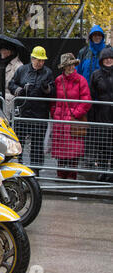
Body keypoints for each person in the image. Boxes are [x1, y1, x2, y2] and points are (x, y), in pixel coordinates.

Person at [8, 46, 55, 175]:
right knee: (19, 142)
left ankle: (36, 169)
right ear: (32, 58)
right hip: (23, 113)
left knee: (37, 143)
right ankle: (18, 166)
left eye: (42, 60)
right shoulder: (22, 70)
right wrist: (19, 90)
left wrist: (46, 88)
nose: (40, 63)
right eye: (38, 60)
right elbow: (11, 84)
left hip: (39, 114)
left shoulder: (48, 72)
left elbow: (53, 91)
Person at [50, 53, 91, 180]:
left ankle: (72, 177)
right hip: (60, 121)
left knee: (73, 153)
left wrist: (74, 114)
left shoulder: (81, 80)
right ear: (64, 67)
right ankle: (61, 177)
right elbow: (53, 99)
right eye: (68, 65)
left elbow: (86, 101)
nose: (70, 67)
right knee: (60, 153)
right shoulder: (58, 80)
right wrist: (54, 112)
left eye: (72, 64)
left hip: (73, 121)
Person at [89, 47, 113, 180]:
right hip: (102, 113)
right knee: (103, 143)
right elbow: (91, 95)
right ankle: (103, 170)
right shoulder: (96, 74)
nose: (108, 60)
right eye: (106, 58)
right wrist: (92, 116)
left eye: (111, 58)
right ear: (101, 60)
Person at [0, 43, 23, 118]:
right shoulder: (0, 63)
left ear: (9, 52)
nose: (0, 51)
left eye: (3, 49)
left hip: (9, 102)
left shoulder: (19, 66)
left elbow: (18, 86)